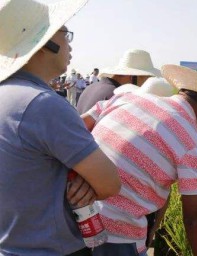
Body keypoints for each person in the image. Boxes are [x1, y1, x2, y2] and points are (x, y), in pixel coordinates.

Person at [0, 0, 121, 255]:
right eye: (65, 34)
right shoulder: (44, 105)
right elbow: (110, 184)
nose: (70, 44)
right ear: (45, 43)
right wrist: (88, 183)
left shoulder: (7, 95)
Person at [82, 64, 197, 255]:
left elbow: (74, 128)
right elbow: (194, 218)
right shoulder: (193, 143)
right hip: (117, 236)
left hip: (71, 214)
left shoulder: (129, 97)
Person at [76, 49, 160, 114]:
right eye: (146, 79)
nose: (145, 85)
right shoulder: (118, 96)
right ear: (133, 77)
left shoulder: (90, 88)